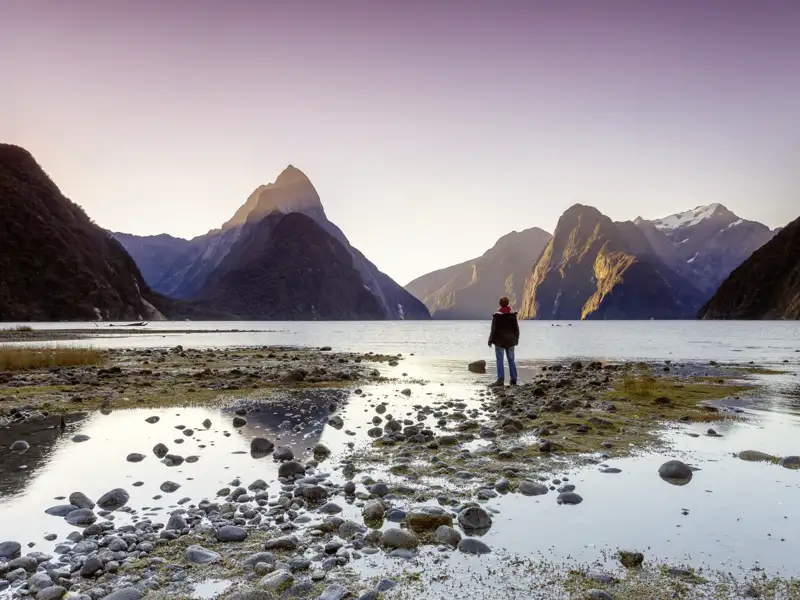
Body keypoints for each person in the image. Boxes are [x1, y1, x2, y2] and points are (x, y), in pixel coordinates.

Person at [488, 296, 519, 386]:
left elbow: (494, 330)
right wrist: (516, 339)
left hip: (499, 341)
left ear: (500, 304)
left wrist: (490, 340)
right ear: (508, 303)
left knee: (500, 360)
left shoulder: (497, 316)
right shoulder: (513, 315)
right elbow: (516, 329)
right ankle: (513, 379)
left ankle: (500, 380)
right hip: (511, 340)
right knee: (511, 360)